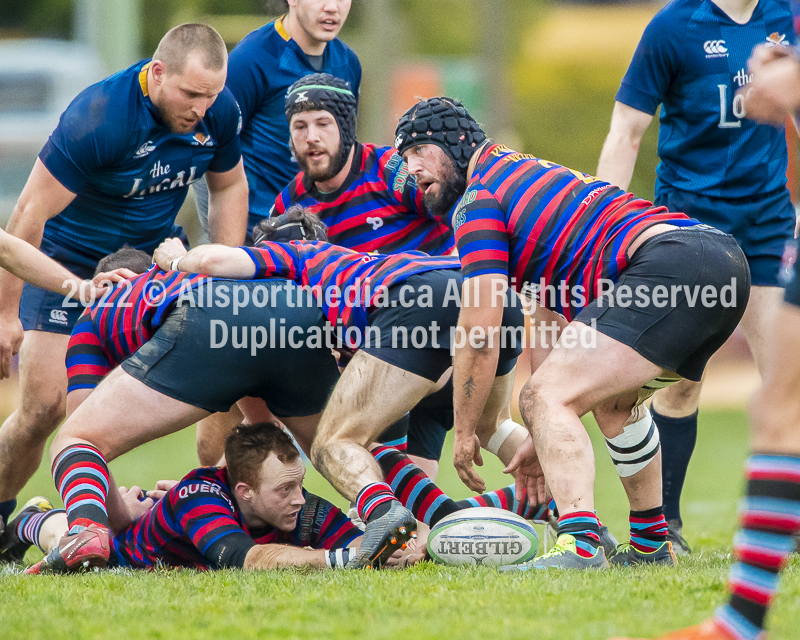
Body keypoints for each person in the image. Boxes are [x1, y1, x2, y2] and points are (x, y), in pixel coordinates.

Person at [396, 97, 750, 569]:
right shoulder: (519, 177)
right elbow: (550, 325)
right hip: (718, 264)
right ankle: (650, 546)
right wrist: (547, 425)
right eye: (403, 158)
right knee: (612, 403)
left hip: (673, 263)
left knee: (544, 396)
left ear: (457, 142)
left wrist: (465, 431)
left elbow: (479, 331)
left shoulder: (478, 199)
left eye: (418, 149)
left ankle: (581, 544)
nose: (410, 169)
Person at [154, 207, 530, 569]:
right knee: (492, 427)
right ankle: (556, 501)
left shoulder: (295, 265)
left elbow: (211, 263)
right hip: (487, 298)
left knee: (336, 444)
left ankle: (389, 516)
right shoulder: (346, 280)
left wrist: (174, 259)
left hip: (416, 323)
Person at [0, 23, 249, 534]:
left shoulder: (218, 111)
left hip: (150, 267)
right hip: (67, 264)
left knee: (231, 371)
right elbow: (27, 218)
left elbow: (229, 186)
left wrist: (224, 268)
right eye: (191, 94)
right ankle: (4, 519)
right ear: (158, 74)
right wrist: (6, 314)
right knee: (44, 409)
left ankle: (216, 514)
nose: (202, 108)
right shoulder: (100, 117)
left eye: (211, 95)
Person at [607, 41, 800, 640]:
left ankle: (738, 625)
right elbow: (627, 129)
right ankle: (729, 610)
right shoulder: (677, 26)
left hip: (770, 230)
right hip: (700, 232)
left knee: (780, 405)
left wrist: (783, 82)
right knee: (773, 407)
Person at [24, 422, 363, 572]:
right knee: (67, 540)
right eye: (285, 490)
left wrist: (384, 547)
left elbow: (363, 543)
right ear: (244, 491)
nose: (299, 499)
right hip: (119, 551)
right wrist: (340, 559)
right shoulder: (199, 498)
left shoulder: (291, 498)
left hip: (158, 515)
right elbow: (244, 560)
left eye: (298, 485)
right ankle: (30, 519)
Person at [195, 0, 360, 241]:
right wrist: (227, 243)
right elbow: (207, 149)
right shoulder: (252, 59)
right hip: (255, 237)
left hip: (316, 238)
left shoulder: (348, 64)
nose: (332, 7)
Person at [275, 73, 453, 255]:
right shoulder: (288, 203)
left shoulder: (393, 170)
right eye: (300, 126)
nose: (311, 137)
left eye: (323, 123)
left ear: (346, 128)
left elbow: (470, 217)